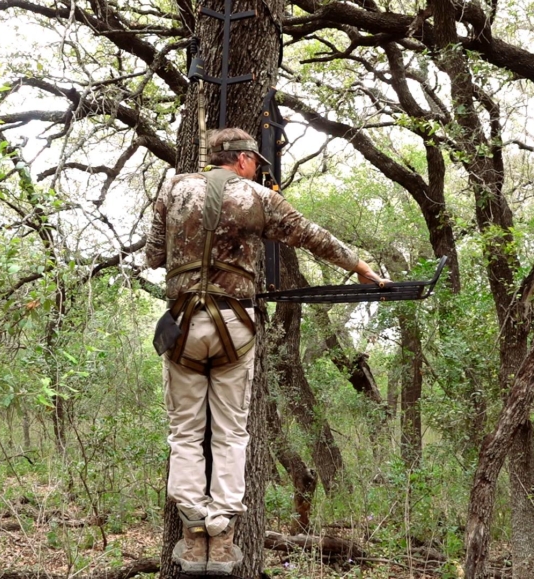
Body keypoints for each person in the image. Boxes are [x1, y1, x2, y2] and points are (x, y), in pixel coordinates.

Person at [146, 127, 380, 574]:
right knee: (231, 432)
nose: (257, 167)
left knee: (185, 432)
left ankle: (194, 539)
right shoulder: (258, 197)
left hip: (183, 325)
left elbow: (154, 255)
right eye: (255, 160)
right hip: (235, 324)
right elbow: (313, 235)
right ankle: (224, 533)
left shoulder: (172, 187)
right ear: (242, 160)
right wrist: (358, 266)